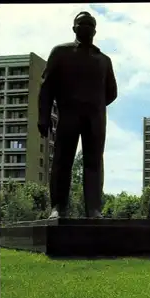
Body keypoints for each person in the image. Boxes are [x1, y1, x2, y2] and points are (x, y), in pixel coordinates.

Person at [38, 11, 118, 219]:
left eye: (90, 24)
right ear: (74, 28)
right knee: (63, 160)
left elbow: (112, 92)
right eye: (81, 23)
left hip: (95, 118)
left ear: (95, 30)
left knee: (94, 163)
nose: (86, 27)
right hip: (68, 115)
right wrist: (44, 116)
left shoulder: (104, 60)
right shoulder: (61, 53)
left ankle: (93, 209)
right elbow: (47, 87)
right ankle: (58, 207)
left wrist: (94, 104)